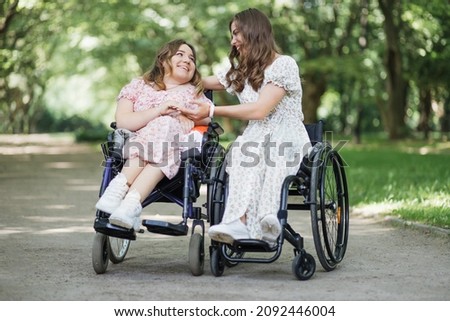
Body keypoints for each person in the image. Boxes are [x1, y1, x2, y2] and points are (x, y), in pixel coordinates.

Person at [178, 8, 311, 245]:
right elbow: (199, 80)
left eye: (236, 33)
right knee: (240, 152)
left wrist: (211, 111)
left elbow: (260, 110)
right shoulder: (241, 73)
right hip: (255, 136)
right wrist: (173, 70)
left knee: (271, 151)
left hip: (287, 135)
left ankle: (268, 218)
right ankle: (238, 222)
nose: (233, 41)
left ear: (254, 31)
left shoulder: (284, 65)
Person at [95, 39, 213, 231]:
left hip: (176, 147)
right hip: (139, 143)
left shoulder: (194, 92)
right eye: (180, 54)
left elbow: (208, 117)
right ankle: (129, 202)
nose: (188, 60)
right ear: (163, 59)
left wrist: (186, 115)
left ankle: (122, 191)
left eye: (192, 58)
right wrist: (159, 110)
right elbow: (124, 122)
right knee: (163, 126)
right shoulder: (138, 85)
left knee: (167, 129)